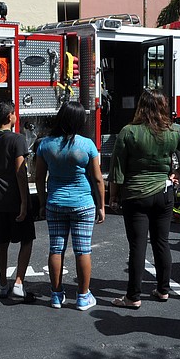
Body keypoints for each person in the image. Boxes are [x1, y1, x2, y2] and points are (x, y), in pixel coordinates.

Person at [109, 90, 180, 309]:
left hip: (135, 194)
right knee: (161, 242)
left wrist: (114, 195)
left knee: (137, 246)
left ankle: (133, 297)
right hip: (164, 194)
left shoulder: (129, 132)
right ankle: (163, 290)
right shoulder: (174, 131)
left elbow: (117, 169)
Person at [35, 101, 105, 311]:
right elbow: (98, 179)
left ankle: (56, 296)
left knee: (56, 249)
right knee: (83, 250)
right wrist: (102, 206)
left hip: (55, 203)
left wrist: (42, 202)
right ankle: (83, 297)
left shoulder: (45, 144)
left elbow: (38, 178)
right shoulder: (87, 145)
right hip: (83, 204)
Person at [0, 99, 35, 300]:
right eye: (14, 113)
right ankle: (19, 282)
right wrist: (25, 202)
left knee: (2, 243)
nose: (16, 116)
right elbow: (20, 173)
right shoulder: (18, 140)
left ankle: (3, 284)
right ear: (10, 117)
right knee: (26, 240)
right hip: (15, 198)